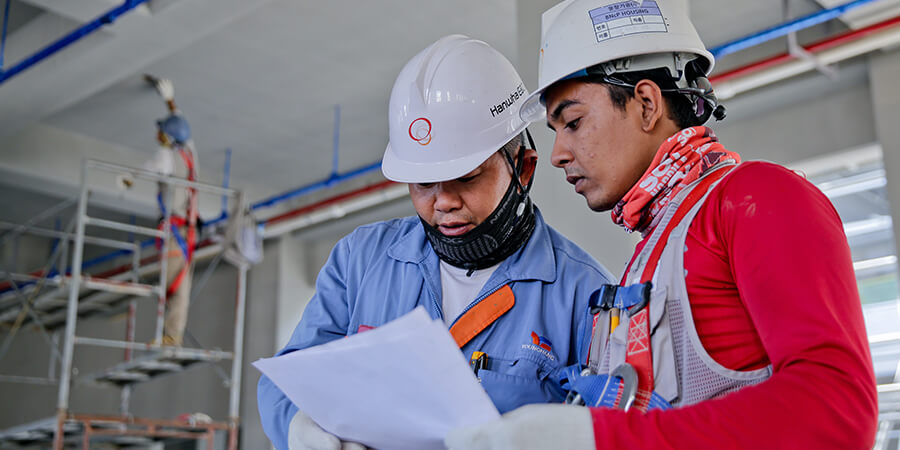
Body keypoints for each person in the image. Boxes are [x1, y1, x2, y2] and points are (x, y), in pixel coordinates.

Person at [445, 1, 878, 449]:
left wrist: (601, 438)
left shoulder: (757, 198)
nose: (558, 154)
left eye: (572, 122)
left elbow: (838, 409)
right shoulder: (653, 251)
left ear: (647, 103)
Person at [256, 34, 615, 450]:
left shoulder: (587, 297)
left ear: (524, 168)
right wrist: (298, 426)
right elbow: (287, 379)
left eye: (467, 177)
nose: (443, 201)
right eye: (424, 182)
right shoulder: (360, 261)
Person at [145, 75, 200, 347]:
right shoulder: (189, 154)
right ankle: (171, 335)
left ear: (167, 138)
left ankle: (169, 337)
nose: (157, 135)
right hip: (185, 230)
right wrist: (170, 101)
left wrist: (127, 179)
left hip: (175, 232)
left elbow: (148, 168)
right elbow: (182, 128)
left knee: (172, 286)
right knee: (178, 284)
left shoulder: (167, 158)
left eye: (161, 132)